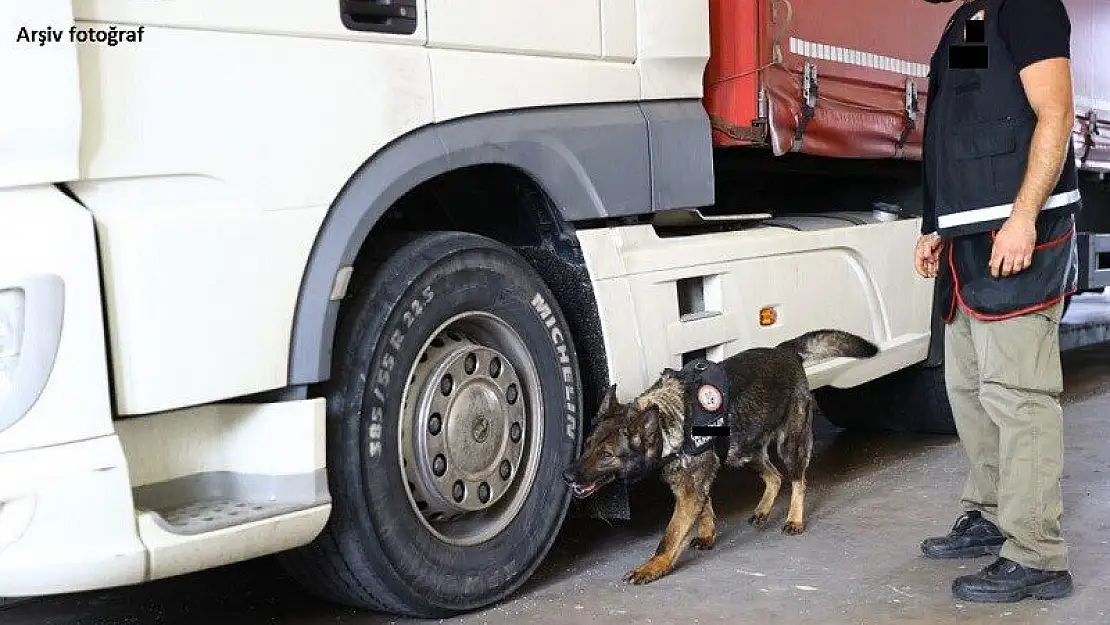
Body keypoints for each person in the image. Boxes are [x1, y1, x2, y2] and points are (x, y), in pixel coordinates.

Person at [914, 0, 1080, 604]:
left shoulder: (1029, 5)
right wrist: (934, 225)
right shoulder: (972, 18)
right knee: (972, 388)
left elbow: (1054, 114)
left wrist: (1024, 219)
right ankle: (988, 513)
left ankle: (1037, 553)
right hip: (967, 241)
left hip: (1013, 235)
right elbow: (956, 126)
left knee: (1019, 396)